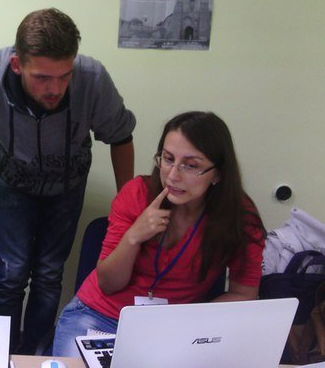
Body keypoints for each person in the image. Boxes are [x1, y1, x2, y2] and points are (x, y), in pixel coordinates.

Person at [0, 8, 136, 354]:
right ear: (17, 65)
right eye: (42, 77)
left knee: (49, 274)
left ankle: (35, 355)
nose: (55, 88)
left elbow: (120, 137)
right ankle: (2, 353)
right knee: (11, 273)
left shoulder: (92, 77)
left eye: (64, 76)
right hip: (13, 182)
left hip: (67, 185)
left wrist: (125, 204)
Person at [52, 111, 267, 357]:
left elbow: (243, 293)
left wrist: (192, 325)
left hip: (176, 329)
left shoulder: (240, 217)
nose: (173, 176)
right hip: (101, 316)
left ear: (218, 173)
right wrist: (134, 236)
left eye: (191, 165)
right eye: (168, 159)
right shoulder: (137, 194)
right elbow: (108, 284)